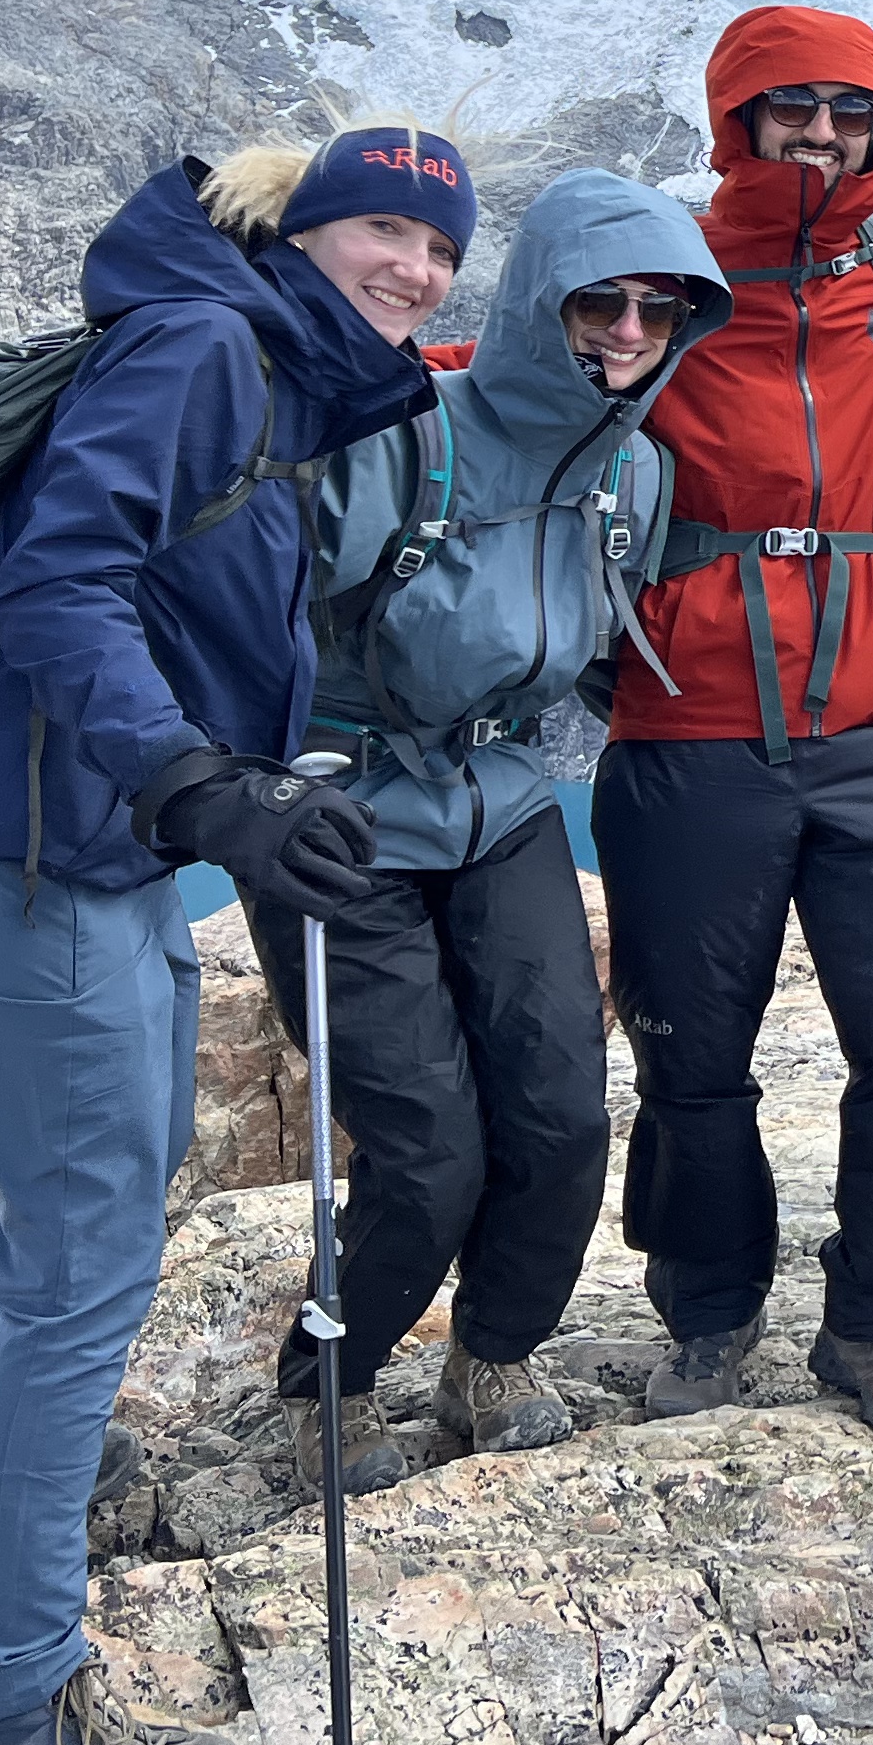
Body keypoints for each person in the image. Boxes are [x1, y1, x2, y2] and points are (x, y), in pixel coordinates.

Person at [0, 123, 463, 1745]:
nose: (412, 270)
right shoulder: (211, 343)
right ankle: (9, 1701)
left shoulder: (262, 352)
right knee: (87, 1262)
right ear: (306, 228)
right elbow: (64, 582)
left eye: (440, 250)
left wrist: (234, 782)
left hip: (82, 840)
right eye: (382, 233)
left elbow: (183, 601)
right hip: (39, 847)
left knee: (78, 1207)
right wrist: (194, 776)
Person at [238, 168, 729, 1494]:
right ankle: (326, 1394)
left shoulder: (635, 475)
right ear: (539, 307)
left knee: (564, 1112)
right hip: (344, 823)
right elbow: (244, 623)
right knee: (427, 1147)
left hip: (501, 804)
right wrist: (254, 790)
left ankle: (492, 1358)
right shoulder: (400, 438)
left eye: (659, 313)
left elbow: (584, 660)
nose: (629, 335)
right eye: (601, 305)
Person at [595, 8, 873, 1451]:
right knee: (690, 1046)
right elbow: (510, 375)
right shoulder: (663, 274)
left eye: (850, 111)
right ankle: (709, 1314)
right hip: (690, 714)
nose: (821, 132)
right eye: (792, 108)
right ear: (739, 120)